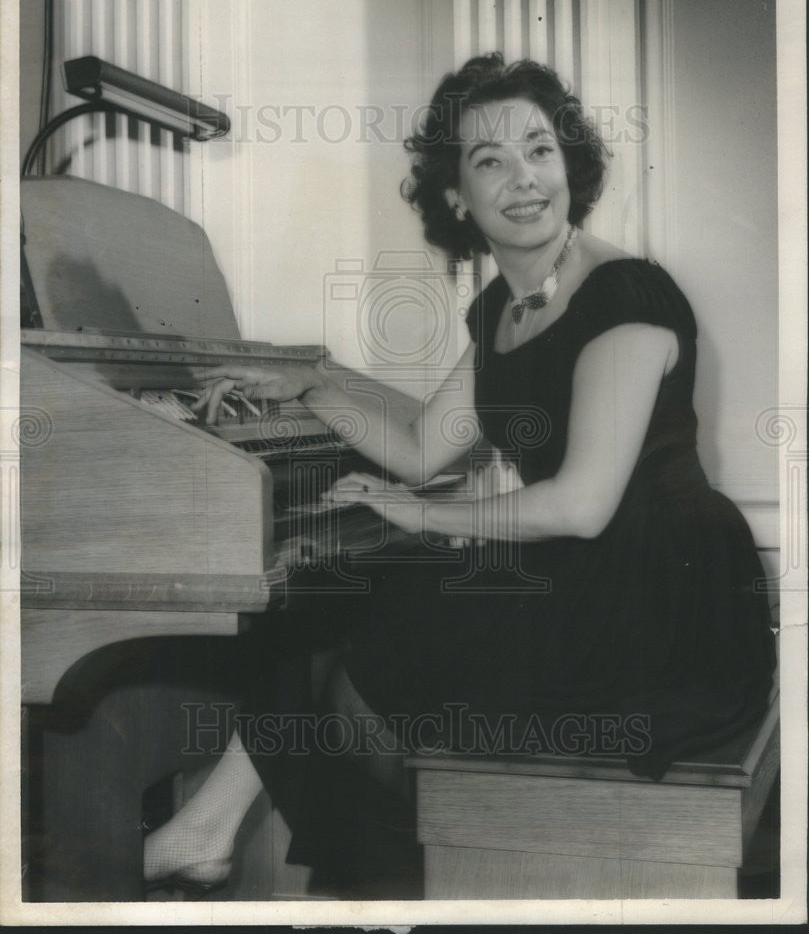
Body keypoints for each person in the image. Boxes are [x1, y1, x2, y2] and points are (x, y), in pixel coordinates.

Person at [143, 54, 776, 896]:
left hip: (659, 596)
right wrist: (312, 386)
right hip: (591, 573)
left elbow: (583, 505)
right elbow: (422, 449)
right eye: (490, 161)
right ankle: (217, 834)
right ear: (457, 197)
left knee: (373, 615)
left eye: (539, 151)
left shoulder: (627, 295)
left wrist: (421, 517)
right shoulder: (505, 308)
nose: (523, 180)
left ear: (568, 166)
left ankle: (318, 859)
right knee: (325, 600)